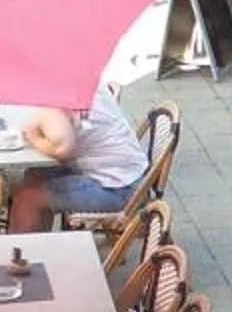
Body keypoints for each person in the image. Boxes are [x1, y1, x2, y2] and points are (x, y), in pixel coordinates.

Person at [9, 87, 148, 229]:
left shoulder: (53, 100)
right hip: (131, 175)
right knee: (35, 174)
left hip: (118, 188)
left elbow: (61, 147)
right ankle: (40, 243)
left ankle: (20, 249)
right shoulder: (86, 82)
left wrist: (34, 138)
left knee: (26, 199)